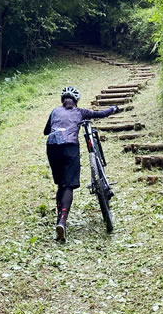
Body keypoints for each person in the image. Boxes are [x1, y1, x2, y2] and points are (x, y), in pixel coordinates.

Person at [43, 86, 118, 242]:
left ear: (62, 100)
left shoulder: (55, 111)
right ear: (76, 101)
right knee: (68, 186)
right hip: (69, 147)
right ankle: (62, 222)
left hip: (52, 147)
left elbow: (46, 131)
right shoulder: (80, 112)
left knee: (61, 186)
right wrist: (113, 108)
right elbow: (101, 114)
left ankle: (60, 222)